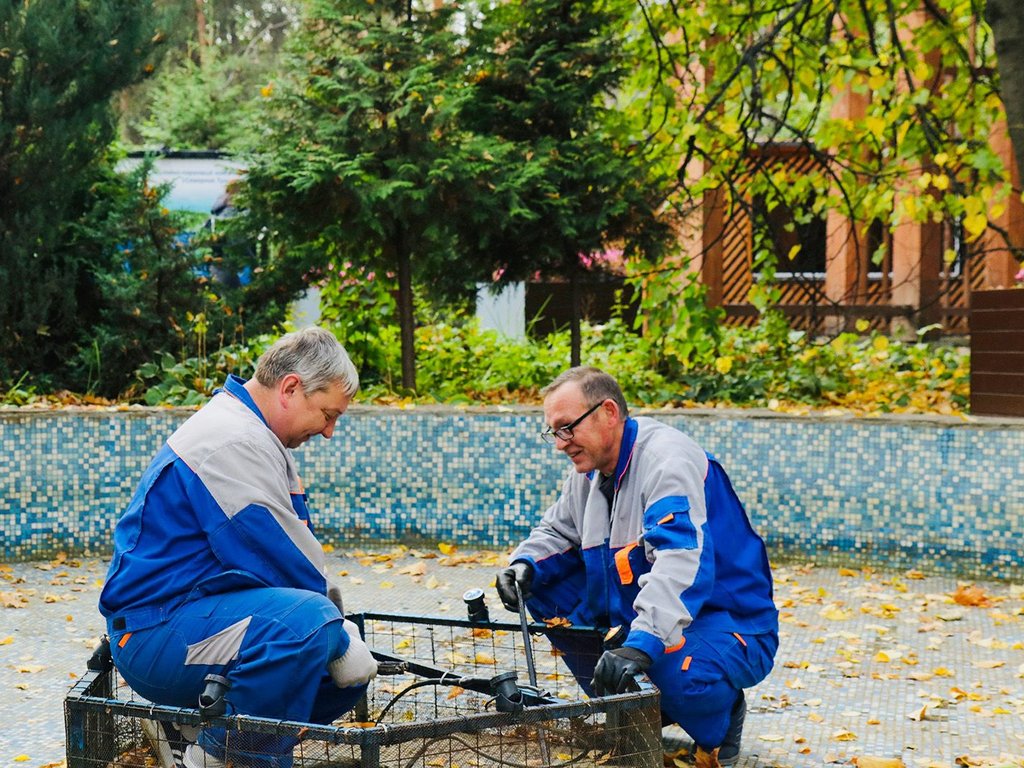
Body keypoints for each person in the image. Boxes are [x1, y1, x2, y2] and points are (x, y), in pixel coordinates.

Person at [99, 327, 377, 768]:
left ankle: (198, 734)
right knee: (308, 631)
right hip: (154, 636)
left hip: (186, 620)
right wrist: (337, 632)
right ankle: (217, 759)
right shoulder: (232, 439)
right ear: (290, 388)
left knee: (328, 661)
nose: (328, 432)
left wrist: (334, 632)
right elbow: (280, 562)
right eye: (327, 414)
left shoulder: (248, 430)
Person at [495, 366, 778, 767]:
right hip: (649, 612)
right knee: (540, 584)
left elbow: (680, 563)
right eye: (553, 432)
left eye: (566, 428)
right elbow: (557, 531)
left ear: (608, 412)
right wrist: (523, 565)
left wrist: (641, 646)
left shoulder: (666, 460)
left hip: (727, 619)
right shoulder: (590, 470)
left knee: (677, 671)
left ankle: (721, 718)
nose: (559, 444)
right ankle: (631, 709)